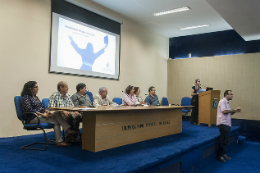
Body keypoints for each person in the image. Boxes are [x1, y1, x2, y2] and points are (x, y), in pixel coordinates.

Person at [21, 81, 78, 147]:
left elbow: (42, 108)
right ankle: (61, 139)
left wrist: (47, 112)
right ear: (30, 88)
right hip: (32, 118)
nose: (38, 88)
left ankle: (67, 131)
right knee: (56, 122)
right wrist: (43, 114)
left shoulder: (36, 97)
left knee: (57, 113)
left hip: (40, 115)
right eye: (36, 87)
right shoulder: (26, 97)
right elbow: (29, 110)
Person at [216, 90, 241, 162]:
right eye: (231, 94)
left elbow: (229, 113)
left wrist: (235, 111)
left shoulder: (227, 103)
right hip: (223, 123)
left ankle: (223, 154)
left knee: (226, 140)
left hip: (227, 123)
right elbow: (224, 111)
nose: (232, 95)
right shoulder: (222, 101)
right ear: (226, 95)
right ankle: (219, 156)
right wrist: (234, 109)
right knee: (223, 140)